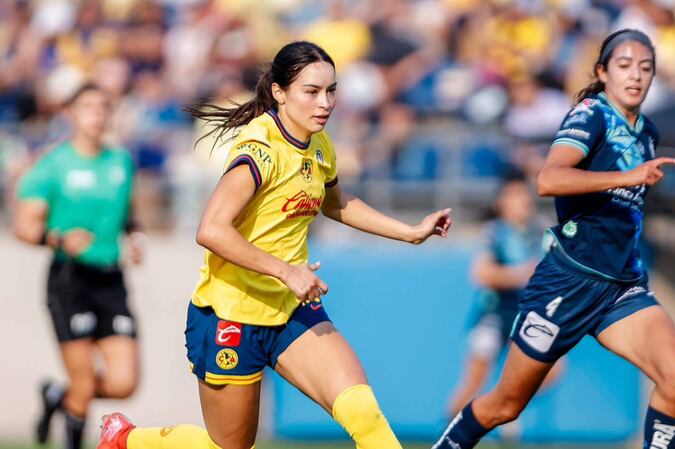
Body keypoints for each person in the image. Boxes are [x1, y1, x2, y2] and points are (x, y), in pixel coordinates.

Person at [97, 40, 452, 449]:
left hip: (290, 311)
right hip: (231, 316)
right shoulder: (260, 150)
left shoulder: (319, 144)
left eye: (331, 91)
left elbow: (336, 203)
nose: (325, 103)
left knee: (364, 415)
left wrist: (409, 232)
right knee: (229, 447)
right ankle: (126, 440)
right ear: (280, 93)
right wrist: (286, 271)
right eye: (311, 91)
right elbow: (211, 229)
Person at [431, 29, 675, 449]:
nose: (635, 75)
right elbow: (548, 179)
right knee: (505, 405)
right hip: (568, 281)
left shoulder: (648, 134)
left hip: (621, 286)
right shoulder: (591, 114)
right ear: (602, 72)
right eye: (624, 65)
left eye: (645, 68)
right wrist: (628, 177)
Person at [14, 84, 143, 449]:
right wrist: (57, 239)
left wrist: (135, 237)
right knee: (84, 383)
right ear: (70, 113)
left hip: (111, 278)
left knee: (124, 383)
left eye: (103, 107)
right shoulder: (52, 165)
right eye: (88, 107)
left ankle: (58, 395)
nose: (97, 114)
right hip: (70, 279)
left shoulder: (120, 161)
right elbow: (24, 226)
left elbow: (129, 213)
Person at [447, 172, 544, 418]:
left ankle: (500, 408)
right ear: (502, 202)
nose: (522, 200)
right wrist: (521, 274)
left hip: (524, 315)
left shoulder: (538, 232)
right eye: (515, 195)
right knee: (473, 383)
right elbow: (481, 273)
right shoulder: (496, 233)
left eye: (524, 194)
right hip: (493, 315)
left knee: (550, 370)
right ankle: (450, 430)